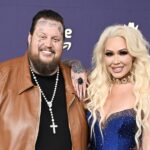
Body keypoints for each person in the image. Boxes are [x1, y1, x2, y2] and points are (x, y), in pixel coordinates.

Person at [0, 9, 88, 150]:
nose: (48, 44)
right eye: (42, 37)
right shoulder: (3, 77)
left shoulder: (78, 82)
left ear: (63, 44)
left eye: (55, 39)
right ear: (30, 38)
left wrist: (76, 65)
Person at [84, 24, 150, 150]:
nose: (115, 61)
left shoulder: (145, 91)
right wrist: (75, 65)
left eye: (123, 53)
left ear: (134, 55)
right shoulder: (95, 88)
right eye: (109, 54)